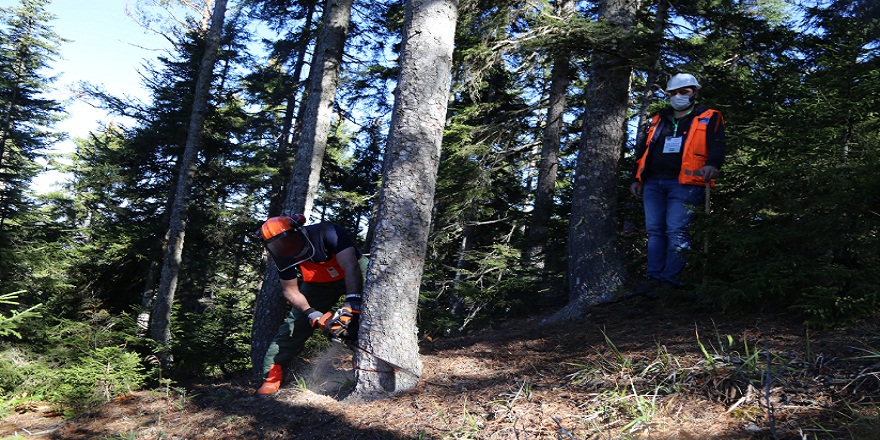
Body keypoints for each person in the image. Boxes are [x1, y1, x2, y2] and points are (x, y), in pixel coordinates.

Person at [629, 73, 726, 297]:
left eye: (684, 91)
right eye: (674, 92)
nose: (679, 96)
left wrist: (713, 164)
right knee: (654, 232)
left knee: (677, 231)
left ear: (695, 93)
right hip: (653, 182)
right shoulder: (658, 119)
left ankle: (670, 281)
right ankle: (653, 280)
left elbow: (718, 144)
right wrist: (636, 178)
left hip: (685, 183)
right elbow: (644, 150)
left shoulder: (709, 117)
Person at [255, 214, 364, 395]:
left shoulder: (328, 232)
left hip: (354, 271)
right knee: (293, 326)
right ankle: (272, 375)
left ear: (298, 231)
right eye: (278, 245)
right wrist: (311, 313)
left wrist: (352, 302)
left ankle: (363, 359)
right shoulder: (281, 253)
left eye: (288, 241)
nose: (286, 248)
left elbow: (350, 265)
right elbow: (290, 290)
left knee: (374, 305)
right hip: (318, 282)